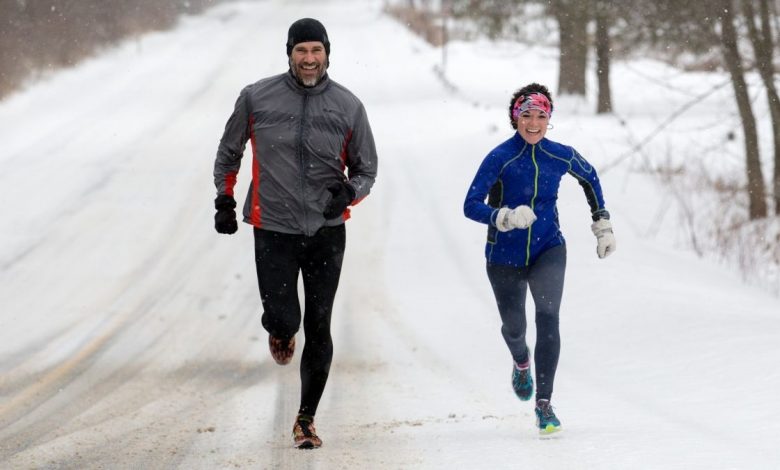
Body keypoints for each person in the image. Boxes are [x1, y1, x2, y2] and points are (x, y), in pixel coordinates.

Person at [212, 18, 378, 449]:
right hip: (273, 227)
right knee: (288, 317)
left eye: (316, 51)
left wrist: (348, 194)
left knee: (320, 324)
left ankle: (306, 419)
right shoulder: (256, 97)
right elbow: (230, 151)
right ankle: (281, 329)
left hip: (326, 229)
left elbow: (366, 170)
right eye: (301, 51)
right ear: (289, 53)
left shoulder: (348, 106)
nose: (309, 59)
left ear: (327, 54)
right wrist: (225, 199)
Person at [463, 83, 615, 435]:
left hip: (549, 248)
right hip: (503, 255)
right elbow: (471, 204)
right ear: (515, 118)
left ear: (550, 119)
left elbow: (589, 177)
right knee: (515, 328)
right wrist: (504, 216)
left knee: (548, 318)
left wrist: (602, 223)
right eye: (526, 115)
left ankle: (544, 404)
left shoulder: (559, 155)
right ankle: (520, 361)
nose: (534, 123)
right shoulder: (500, 157)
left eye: (541, 116)